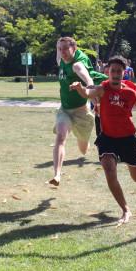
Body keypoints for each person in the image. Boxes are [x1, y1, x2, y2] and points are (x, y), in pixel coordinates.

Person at [70, 56, 136, 224]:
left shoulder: (130, 93)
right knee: (109, 170)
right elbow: (88, 93)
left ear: (124, 73)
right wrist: (80, 88)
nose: (116, 74)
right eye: (113, 71)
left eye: (119, 71)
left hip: (127, 139)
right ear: (108, 73)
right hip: (107, 138)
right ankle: (125, 210)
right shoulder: (102, 89)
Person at [50, 37, 106, 186]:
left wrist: (92, 95)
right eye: (60, 49)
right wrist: (58, 44)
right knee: (60, 137)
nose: (62, 52)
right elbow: (58, 50)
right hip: (65, 111)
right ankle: (57, 175)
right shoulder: (61, 60)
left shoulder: (77, 65)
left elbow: (89, 80)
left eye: (65, 49)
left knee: (83, 149)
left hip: (82, 113)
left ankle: (83, 140)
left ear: (74, 49)